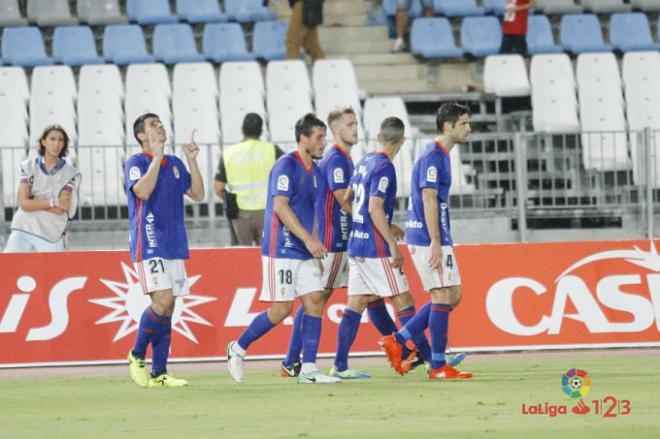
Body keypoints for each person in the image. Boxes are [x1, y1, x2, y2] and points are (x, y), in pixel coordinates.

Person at [226, 113, 340, 385]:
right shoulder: (285, 165)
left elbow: (309, 212)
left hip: (303, 249)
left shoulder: (315, 171)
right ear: (304, 139)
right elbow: (280, 206)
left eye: (325, 137)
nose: (325, 142)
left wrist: (314, 243)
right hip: (281, 247)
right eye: (319, 137)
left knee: (314, 301)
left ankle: (309, 369)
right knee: (281, 310)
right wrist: (309, 240)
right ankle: (238, 348)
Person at [331, 117, 432, 377]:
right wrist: (391, 243)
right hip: (376, 249)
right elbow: (374, 206)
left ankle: (339, 366)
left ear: (378, 136)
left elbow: (347, 199)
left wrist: (377, 222)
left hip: (356, 245)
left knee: (356, 304)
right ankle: (432, 359)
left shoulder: (364, 161)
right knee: (404, 301)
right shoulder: (386, 167)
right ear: (402, 141)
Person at [380, 102, 473, 380]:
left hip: (435, 234)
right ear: (449, 126)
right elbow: (428, 197)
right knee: (443, 295)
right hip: (429, 236)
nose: (469, 128)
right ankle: (436, 365)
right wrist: (435, 240)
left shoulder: (440, 155)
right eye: (465, 123)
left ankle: (398, 340)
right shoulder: (433, 156)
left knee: (451, 295)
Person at [279, 107, 362, 379]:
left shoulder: (342, 159)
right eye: (350, 124)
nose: (356, 128)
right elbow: (342, 201)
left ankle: (334, 363)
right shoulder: (336, 160)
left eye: (356, 123)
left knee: (342, 298)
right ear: (336, 130)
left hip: (338, 239)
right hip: (333, 240)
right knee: (316, 299)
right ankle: (292, 360)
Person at [125, 113, 205, 388]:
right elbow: (142, 192)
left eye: (160, 122)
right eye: (153, 125)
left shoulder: (176, 163)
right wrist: (157, 158)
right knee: (162, 299)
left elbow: (198, 194)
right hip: (148, 240)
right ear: (141, 136)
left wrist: (192, 160)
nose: (160, 126)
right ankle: (136, 355)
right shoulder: (136, 163)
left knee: (169, 306)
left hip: (174, 242)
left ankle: (160, 373)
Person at [4, 125, 80, 253]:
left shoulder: (69, 172)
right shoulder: (29, 166)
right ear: (43, 141)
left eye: (61, 140)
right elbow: (24, 204)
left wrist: (35, 201)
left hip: (51, 230)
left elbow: (61, 208)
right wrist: (53, 201)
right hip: (24, 226)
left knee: (57, 271)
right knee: (7, 268)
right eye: (52, 139)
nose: (56, 143)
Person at [214, 113, 284, 246]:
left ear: (242, 130)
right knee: (268, 257)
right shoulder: (272, 150)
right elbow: (288, 173)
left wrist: (228, 200)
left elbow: (218, 187)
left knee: (241, 258)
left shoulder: (229, 153)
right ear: (261, 131)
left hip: (241, 215)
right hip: (268, 213)